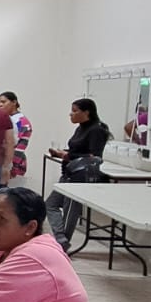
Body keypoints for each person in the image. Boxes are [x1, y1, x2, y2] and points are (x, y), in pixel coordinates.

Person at [45, 98, 112, 250]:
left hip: (80, 176)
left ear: (86, 112)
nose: (71, 114)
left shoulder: (96, 130)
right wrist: (62, 153)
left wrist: (67, 156)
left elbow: (94, 157)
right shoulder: (80, 128)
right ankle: (60, 238)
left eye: (75, 111)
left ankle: (62, 242)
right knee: (51, 204)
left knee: (70, 210)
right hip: (69, 172)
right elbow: (77, 150)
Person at [0, 92, 31, 183]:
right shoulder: (7, 118)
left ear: (14, 102)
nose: (0, 105)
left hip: (15, 164)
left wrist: (14, 168)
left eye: (3, 102)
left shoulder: (21, 121)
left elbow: (19, 147)